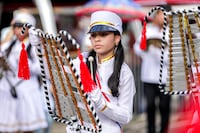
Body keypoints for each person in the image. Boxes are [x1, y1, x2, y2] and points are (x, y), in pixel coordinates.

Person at [28, 10, 136, 133]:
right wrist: (41, 49)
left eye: (103, 34)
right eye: (94, 35)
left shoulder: (124, 73)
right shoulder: (81, 62)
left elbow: (126, 116)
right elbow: (57, 77)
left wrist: (102, 104)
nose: (97, 39)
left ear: (117, 39)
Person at [0, 8, 48, 133]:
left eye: (21, 26)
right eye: (15, 26)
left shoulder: (35, 45)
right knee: (10, 128)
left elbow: (43, 69)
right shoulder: (9, 45)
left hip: (27, 91)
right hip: (8, 90)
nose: (17, 29)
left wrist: (27, 65)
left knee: (28, 128)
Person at [133, 5, 171, 133]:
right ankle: (151, 130)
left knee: (164, 106)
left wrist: (159, 54)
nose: (161, 17)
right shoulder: (147, 30)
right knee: (150, 106)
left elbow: (174, 55)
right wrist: (145, 51)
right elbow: (137, 47)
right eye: (159, 14)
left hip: (165, 77)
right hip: (148, 75)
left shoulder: (172, 33)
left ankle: (164, 130)